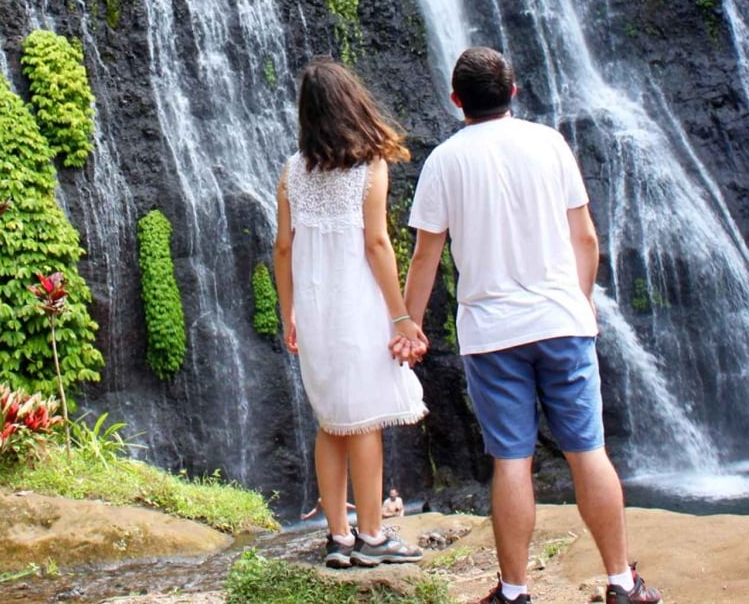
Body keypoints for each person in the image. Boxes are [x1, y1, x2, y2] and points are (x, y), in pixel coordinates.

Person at [391, 47, 662, 604]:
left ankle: (514, 591)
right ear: (514, 92)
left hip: (493, 335)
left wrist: (409, 325)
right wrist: (579, 306)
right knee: (588, 450)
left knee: (511, 460)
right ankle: (621, 582)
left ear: (455, 100)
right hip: (562, 321)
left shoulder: (444, 159)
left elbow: (426, 256)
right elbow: (585, 237)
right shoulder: (550, 143)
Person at [274, 57, 429, 569]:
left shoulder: (292, 171)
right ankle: (373, 536)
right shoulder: (369, 168)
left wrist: (287, 311)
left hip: (314, 311)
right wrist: (402, 315)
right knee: (363, 422)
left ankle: (338, 538)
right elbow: (378, 243)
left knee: (330, 423)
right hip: (357, 306)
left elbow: (281, 248)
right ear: (351, 105)